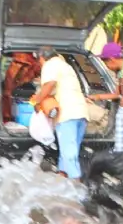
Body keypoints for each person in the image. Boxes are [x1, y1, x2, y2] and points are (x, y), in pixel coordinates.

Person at [32, 47, 88, 179]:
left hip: (67, 114)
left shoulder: (50, 65)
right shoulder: (65, 66)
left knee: (69, 155)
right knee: (68, 153)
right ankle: (63, 183)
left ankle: (76, 189)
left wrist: (37, 101)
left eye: (39, 61)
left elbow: (49, 85)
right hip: (81, 113)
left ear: (41, 58)